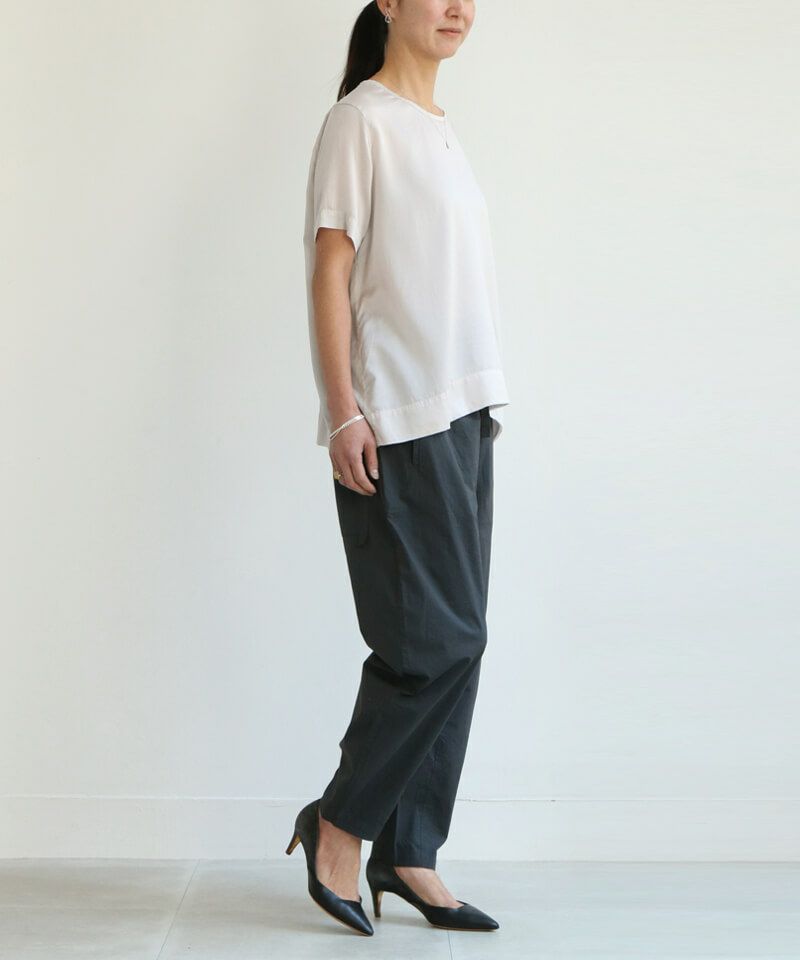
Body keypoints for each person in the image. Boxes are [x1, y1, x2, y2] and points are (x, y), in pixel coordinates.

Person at [288, 0, 509, 936]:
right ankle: (341, 823)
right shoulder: (360, 121)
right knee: (432, 644)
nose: (458, 7)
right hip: (399, 419)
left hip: (466, 412)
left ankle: (411, 850)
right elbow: (329, 270)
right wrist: (343, 408)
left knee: (462, 643)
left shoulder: (438, 129)